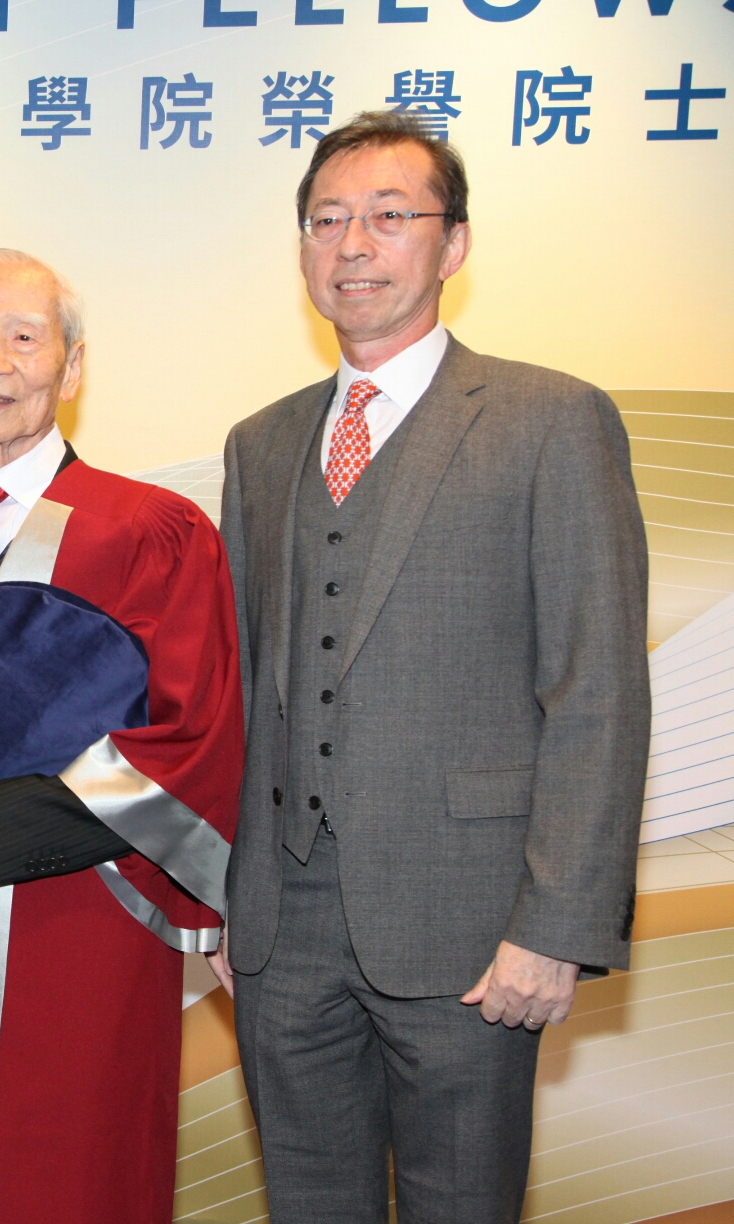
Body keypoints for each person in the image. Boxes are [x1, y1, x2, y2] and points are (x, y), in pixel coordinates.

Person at [217, 111, 650, 1223]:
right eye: (327, 221)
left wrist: (556, 925)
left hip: (474, 928)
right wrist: (225, 904)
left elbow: (597, 690)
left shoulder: (551, 419)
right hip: (281, 936)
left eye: (389, 216)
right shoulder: (260, 444)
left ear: (453, 244)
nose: (353, 244)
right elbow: (242, 690)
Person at [0, 249, 243, 1224]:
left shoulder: (151, 530)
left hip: (84, 921)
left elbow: (194, 733)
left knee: (74, 1172)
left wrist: (25, 816)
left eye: (24, 337)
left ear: (71, 368)